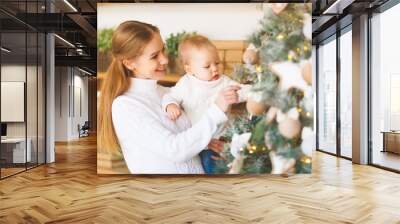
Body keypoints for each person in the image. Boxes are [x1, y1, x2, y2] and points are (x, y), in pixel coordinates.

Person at [97, 21, 240, 174]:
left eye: (163, 50)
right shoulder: (125, 106)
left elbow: (188, 135)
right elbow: (174, 150)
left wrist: (205, 143)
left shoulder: (168, 93)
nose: (165, 59)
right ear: (130, 63)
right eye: (154, 56)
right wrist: (216, 110)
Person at [161, 35, 250, 174]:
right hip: (200, 141)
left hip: (223, 140)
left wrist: (258, 91)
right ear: (190, 69)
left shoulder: (224, 81)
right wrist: (171, 105)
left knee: (231, 167)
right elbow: (170, 96)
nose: (214, 69)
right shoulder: (186, 84)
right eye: (207, 66)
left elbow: (242, 90)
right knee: (209, 169)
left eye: (217, 63)